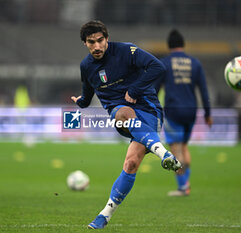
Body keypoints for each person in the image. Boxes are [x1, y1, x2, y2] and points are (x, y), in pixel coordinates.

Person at [71, 20, 182, 229]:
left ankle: (106, 214)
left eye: (100, 41)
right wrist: (80, 102)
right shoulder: (86, 67)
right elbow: (87, 97)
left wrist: (134, 90)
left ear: (107, 39)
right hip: (121, 114)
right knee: (121, 112)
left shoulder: (126, 51)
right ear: (85, 43)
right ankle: (163, 154)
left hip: (149, 111)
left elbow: (158, 67)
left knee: (131, 164)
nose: (96, 46)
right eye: (91, 42)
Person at [158, 29, 213, 196]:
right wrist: (208, 114)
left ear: (168, 45)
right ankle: (186, 184)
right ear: (183, 44)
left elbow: (156, 88)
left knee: (176, 150)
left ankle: (183, 187)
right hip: (191, 111)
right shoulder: (194, 63)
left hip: (173, 111)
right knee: (184, 147)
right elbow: (203, 90)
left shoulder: (165, 63)